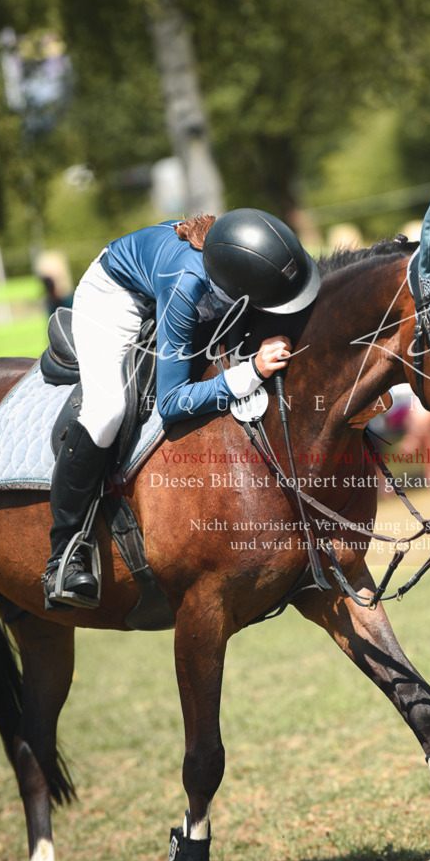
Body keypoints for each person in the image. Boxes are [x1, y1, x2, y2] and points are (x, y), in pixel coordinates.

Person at [42, 208, 320, 611]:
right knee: (106, 411)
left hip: (198, 287)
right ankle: (64, 554)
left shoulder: (254, 251)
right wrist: (251, 373)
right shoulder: (185, 286)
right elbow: (172, 404)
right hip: (116, 297)